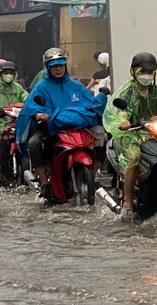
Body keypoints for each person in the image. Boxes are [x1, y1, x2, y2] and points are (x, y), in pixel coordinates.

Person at [15, 47, 106, 201]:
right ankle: (44, 182)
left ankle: (93, 172)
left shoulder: (76, 86)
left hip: (77, 126)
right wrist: (39, 114)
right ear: (48, 68)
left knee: (102, 135)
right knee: (34, 142)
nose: (58, 69)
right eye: (54, 66)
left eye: (60, 65)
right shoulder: (41, 87)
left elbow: (89, 103)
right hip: (51, 126)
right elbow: (32, 105)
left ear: (65, 66)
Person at [103, 52, 157, 213]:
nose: (146, 76)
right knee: (134, 156)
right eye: (142, 72)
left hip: (154, 131)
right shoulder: (127, 92)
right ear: (134, 71)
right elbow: (121, 112)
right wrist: (124, 122)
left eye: (150, 72)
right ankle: (127, 200)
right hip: (132, 132)